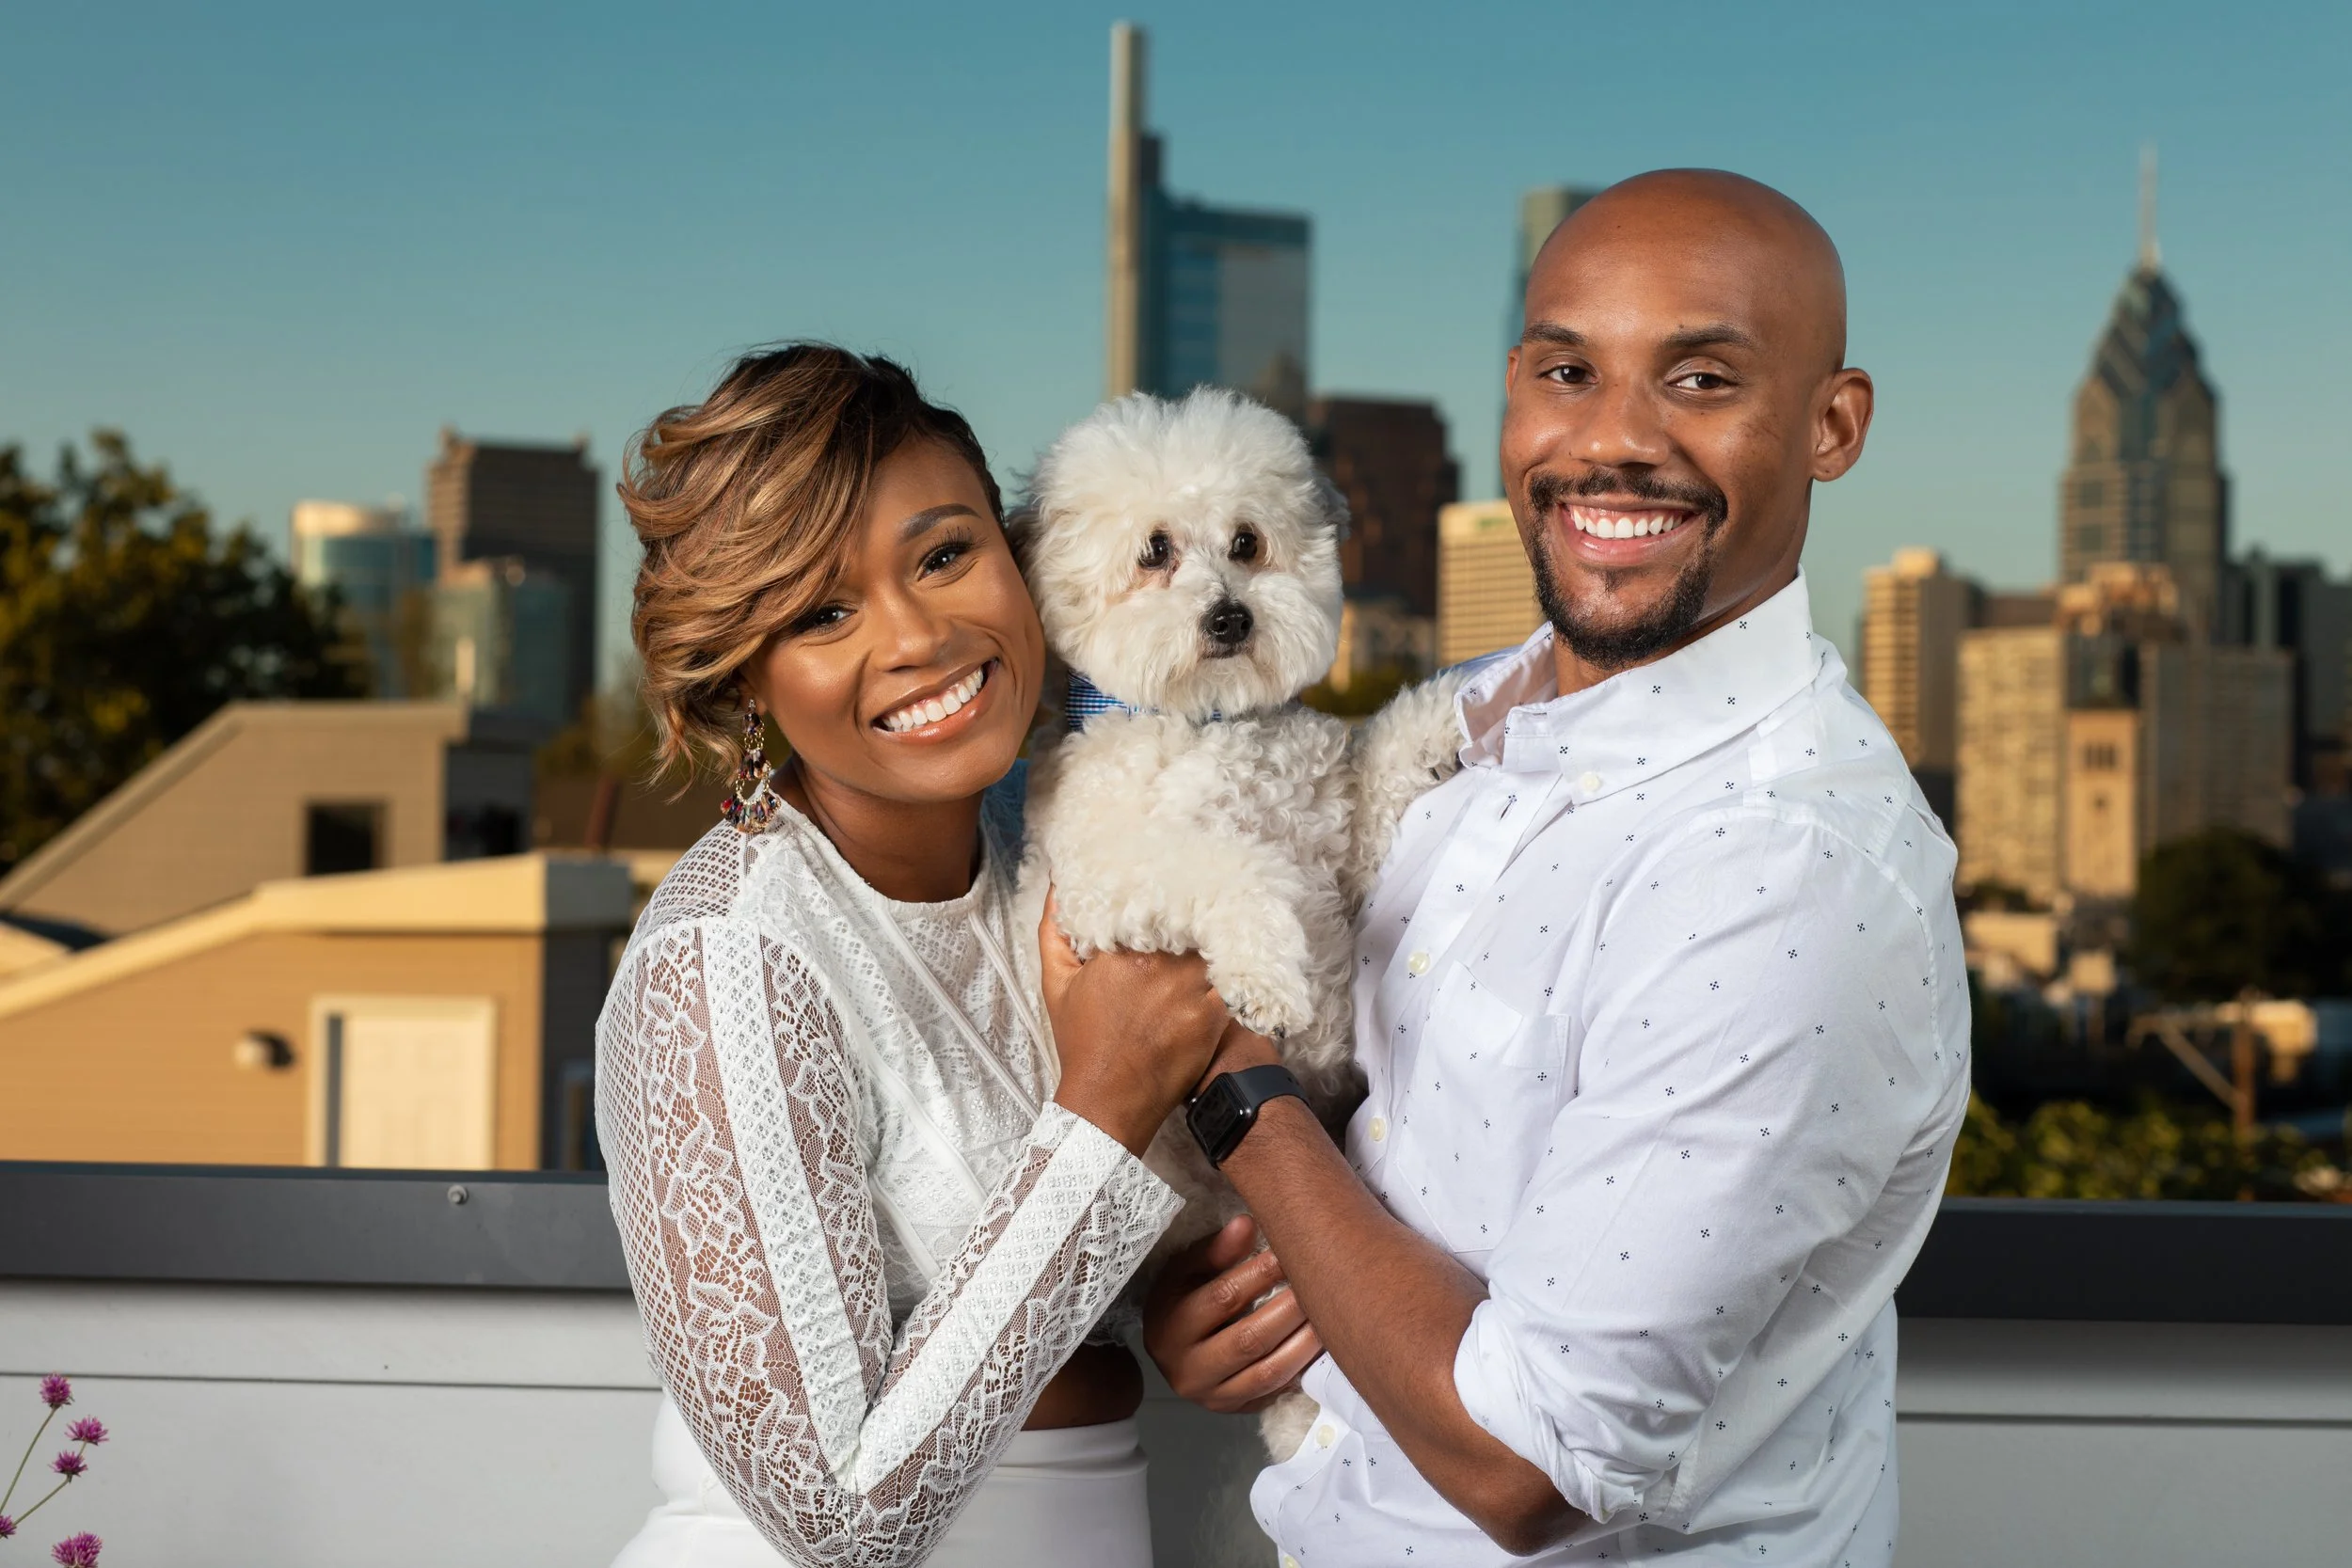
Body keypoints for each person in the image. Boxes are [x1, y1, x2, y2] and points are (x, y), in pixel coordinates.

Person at [1144, 169, 1970, 1564]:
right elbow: (1381, 1182)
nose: (1614, 441)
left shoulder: (1788, 873)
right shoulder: (1463, 737)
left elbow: (1531, 1461)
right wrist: (1222, 1303)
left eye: (1701, 379)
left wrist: (1231, 1090)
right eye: (1569, 370)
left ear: (1834, 425)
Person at [595, 345, 1230, 1568]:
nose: (920, 635)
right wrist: (1105, 1103)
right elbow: (833, 1516)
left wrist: (1171, 1320)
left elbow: (1048, 1281)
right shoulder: (727, 960)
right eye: (825, 612)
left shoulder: (1070, 847)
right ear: (744, 678)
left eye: (944, 555)